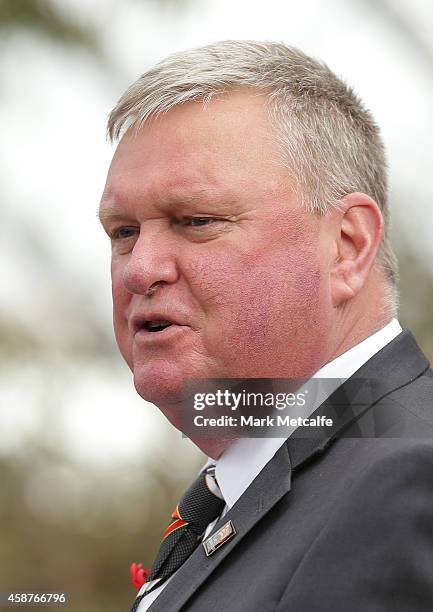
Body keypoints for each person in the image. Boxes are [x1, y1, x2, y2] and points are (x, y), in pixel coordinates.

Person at [98, 40, 433, 611]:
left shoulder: (407, 481)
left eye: (197, 221)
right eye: (123, 231)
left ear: (348, 247)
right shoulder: (287, 476)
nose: (142, 269)